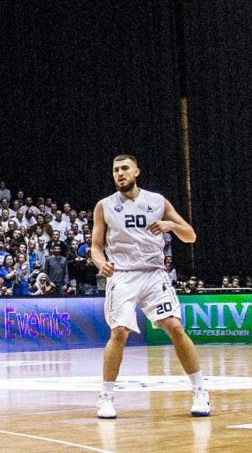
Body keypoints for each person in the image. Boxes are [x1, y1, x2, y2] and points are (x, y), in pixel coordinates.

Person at [89, 154, 210, 420]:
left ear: (137, 172)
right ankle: (106, 397)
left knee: (175, 327)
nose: (119, 173)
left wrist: (170, 224)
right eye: (115, 170)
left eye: (124, 169)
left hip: (154, 273)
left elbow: (190, 235)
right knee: (119, 332)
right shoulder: (105, 206)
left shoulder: (157, 201)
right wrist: (101, 263)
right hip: (122, 275)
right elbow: (96, 246)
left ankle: (200, 391)